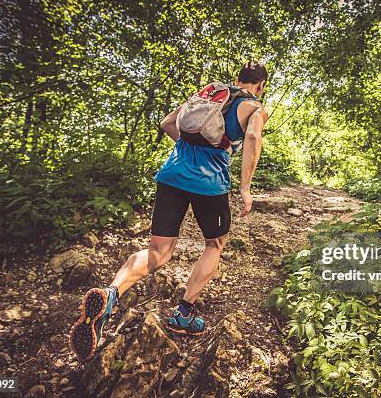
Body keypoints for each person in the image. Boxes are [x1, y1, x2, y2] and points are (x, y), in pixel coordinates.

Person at [70, 62, 269, 361]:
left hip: (171, 175)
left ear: (237, 79)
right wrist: (244, 188)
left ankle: (111, 294)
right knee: (215, 244)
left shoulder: (211, 92)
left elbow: (166, 123)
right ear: (261, 84)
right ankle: (183, 314)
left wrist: (190, 151)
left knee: (158, 251)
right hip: (209, 184)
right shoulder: (253, 106)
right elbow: (253, 138)